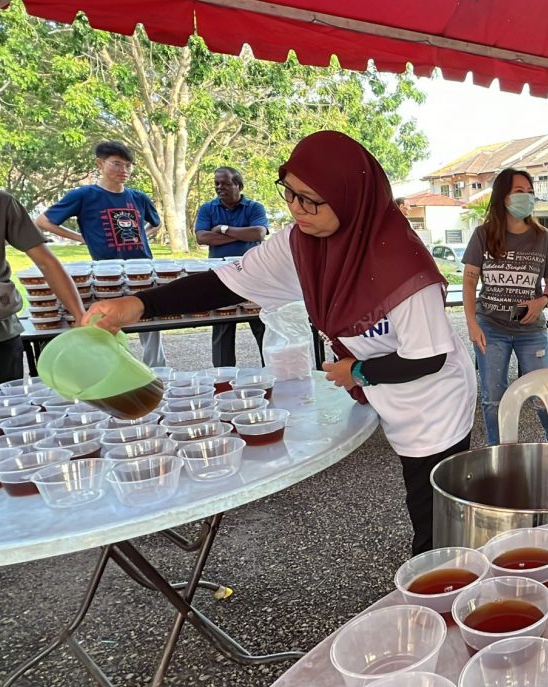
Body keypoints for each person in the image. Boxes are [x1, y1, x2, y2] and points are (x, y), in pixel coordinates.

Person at [83, 131, 476, 555]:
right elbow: (225, 283)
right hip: (387, 388)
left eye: (310, 200)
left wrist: (357, 371)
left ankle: (443, 599)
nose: (295, 209)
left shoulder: (402, 266)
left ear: (350, 198)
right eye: (289, 192)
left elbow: (429, 357)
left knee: (436, 516)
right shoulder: (302, 243)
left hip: (434, 400)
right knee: (428, 508)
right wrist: (138, 305)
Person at [35, 141, 166, 367]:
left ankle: (156, 367)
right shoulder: (85, 195)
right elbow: (43, 221)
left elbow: (156, 223)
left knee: (149, 319)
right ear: (100, 164)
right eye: (116, 164)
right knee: (108, 321)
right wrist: (80, 238)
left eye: (127, 166)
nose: (123, 171)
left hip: (142, 270)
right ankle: (114, 367)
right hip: (106, 272)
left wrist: (142, 236)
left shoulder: (138, 197)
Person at [462, 169, 548, 445]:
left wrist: (542, 300)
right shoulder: (483, 235)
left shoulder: (541, 237)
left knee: (544, 395)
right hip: (491, 328)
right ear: (502, 197)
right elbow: (469, 283)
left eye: (530, 192)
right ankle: (499, 454)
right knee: (493, 398)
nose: (527, 197)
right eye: (520, 192)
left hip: (531, 331)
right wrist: (471, 323)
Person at [0, 185, 85, 387]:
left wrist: (80, 316)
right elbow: (46, 262)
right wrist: (79, 315)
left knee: (2, 413)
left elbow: (46, 262)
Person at [194, 166, 269, 367]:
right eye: (217, 184)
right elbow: (202, 238)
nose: (220, 187)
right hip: (221, 275)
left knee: (261, 324)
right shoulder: (208, 209)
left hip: (251, 274)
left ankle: (271, 372)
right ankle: (223, 377)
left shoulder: (254, 208)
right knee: (222, 326)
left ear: (239, 185)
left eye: (226, 183)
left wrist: (224, 230)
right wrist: (240, 233)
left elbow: (259, 234)